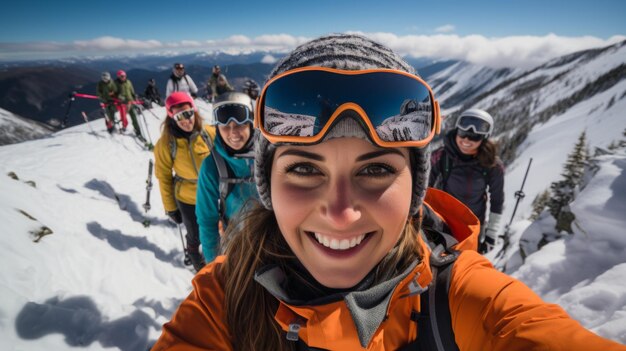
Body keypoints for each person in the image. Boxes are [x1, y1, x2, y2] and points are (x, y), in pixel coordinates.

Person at [152, 34, 626, 351]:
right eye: (302, 169)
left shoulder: (457, 292)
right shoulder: (224, 295)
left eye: (375, 169)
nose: (340, 213)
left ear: (416, 186)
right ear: (268, 184)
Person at [154, 92, 217, 272]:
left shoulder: (209, 134)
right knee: (195, 234)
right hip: (188, 198)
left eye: (188, 113)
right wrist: (171, 207)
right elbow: (164, 177)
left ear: (194, 112)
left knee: (217, 231)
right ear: (171, 117)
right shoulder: (166, 144)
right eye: (179, 116)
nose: (186, 120)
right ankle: (195, 256)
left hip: (213, 193)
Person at [428, 109, 504, 254]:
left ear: (484, 139)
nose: (466, 140)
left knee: (463, 262)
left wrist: (491, 234)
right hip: (443, 220)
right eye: (463, 133)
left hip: (473, 225)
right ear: (457, 130)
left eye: (474, 137)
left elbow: (497, 200)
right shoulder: (442, 156)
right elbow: (424, 186)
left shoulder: (492, 165)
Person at [196, 92, 259, 266]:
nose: (233, 132)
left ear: (251, 123)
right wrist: (214, 265)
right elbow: (207, 219)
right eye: (225, 125)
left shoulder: (269, 156)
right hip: (238, 248)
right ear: (217, 127)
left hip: (277, 243)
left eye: (240, 122)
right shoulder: (212, 167)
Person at [114, 70, 143, 138]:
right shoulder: (115, 84)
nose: (124, 77)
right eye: (122, 76)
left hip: (130, 102)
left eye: (124, 75)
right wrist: (120, 98)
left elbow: (131, 90)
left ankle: (137, 130)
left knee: (133, 116)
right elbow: (114, 94)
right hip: (122, 103)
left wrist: (134, 96)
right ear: (118, 76)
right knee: (123, 116)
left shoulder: (128, 82)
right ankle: (124, 125)